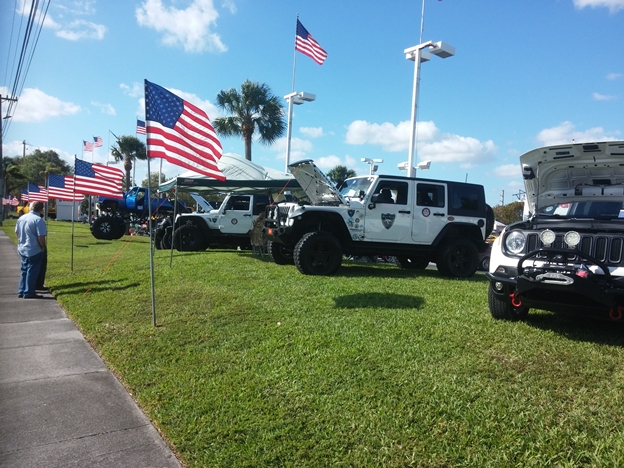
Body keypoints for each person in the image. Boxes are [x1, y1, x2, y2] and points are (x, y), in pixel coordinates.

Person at [15, 201, 47, 299]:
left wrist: (21, 241)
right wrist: (42, 246)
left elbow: (17, 232)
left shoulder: (21, 218)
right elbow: (41, 237)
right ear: (41, 209)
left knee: (24, 270)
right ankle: (29, 292)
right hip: (33, 248)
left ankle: (21, 290)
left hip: (22, 247)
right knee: (32, 271)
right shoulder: (38, 220)